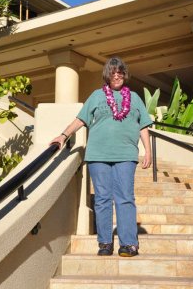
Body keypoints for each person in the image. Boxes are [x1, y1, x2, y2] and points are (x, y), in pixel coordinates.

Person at [50, 57, 152, 257]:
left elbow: (144, 126)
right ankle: (105, 242)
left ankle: (129, 243)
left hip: (126, 154)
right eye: (113, 72)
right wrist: (63, 135)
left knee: (125, 198)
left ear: (124, 75)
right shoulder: (97, 96)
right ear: (107, 75)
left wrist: (148, 151)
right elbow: (81, 119)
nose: (117, 75)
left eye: (120, 72)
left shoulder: (135, 98)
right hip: (98, 154)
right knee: (103, 199)